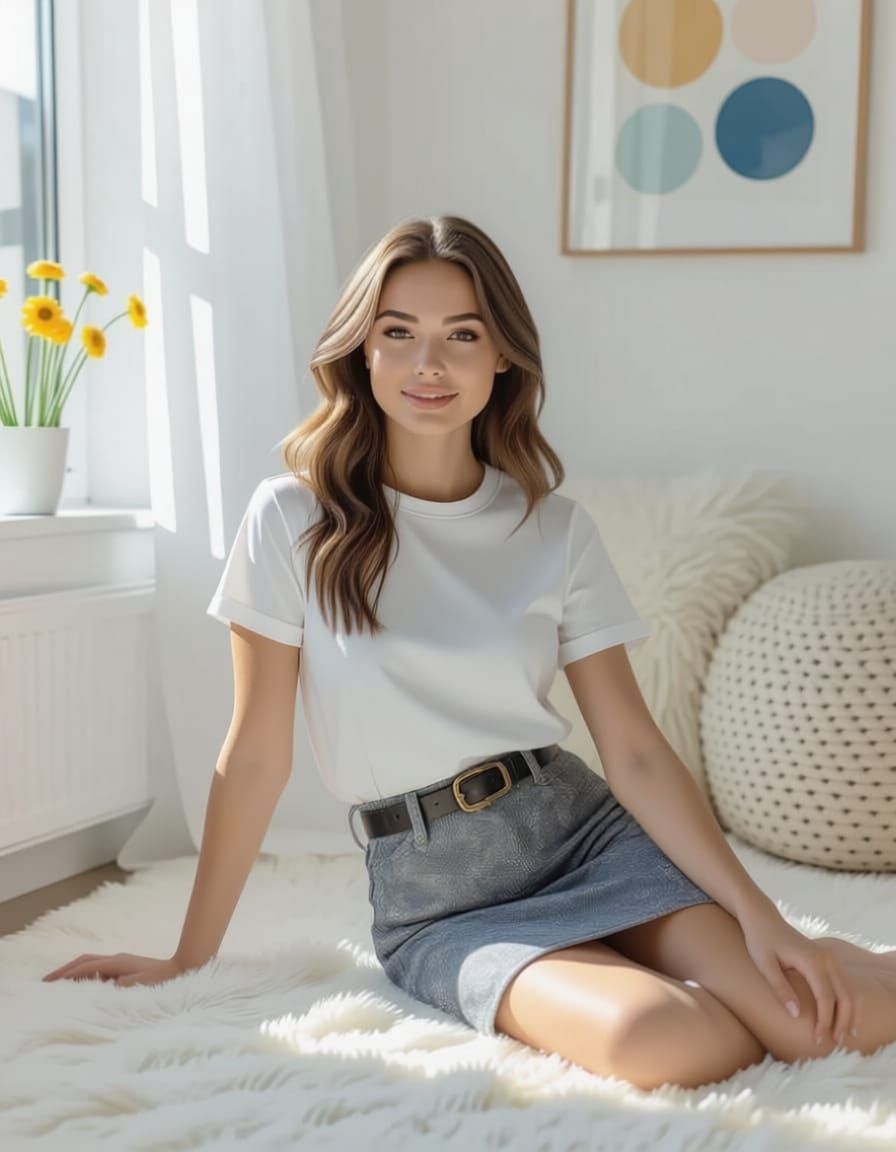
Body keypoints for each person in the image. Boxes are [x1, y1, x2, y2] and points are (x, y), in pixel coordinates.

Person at [42, 216, 896, 1091]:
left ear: (502, 359)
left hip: (583, 836)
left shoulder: (553, 529)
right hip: (440, 893)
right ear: (360, 353)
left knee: (812, 1020)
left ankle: (803, 962)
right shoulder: (291, 520)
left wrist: (761, 918)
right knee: (666, 1042)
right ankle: (727, 969)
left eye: (462, 336)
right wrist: (191, 953)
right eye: (398, 334)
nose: (429, 367)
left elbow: (635, 750)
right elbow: (255, 752)